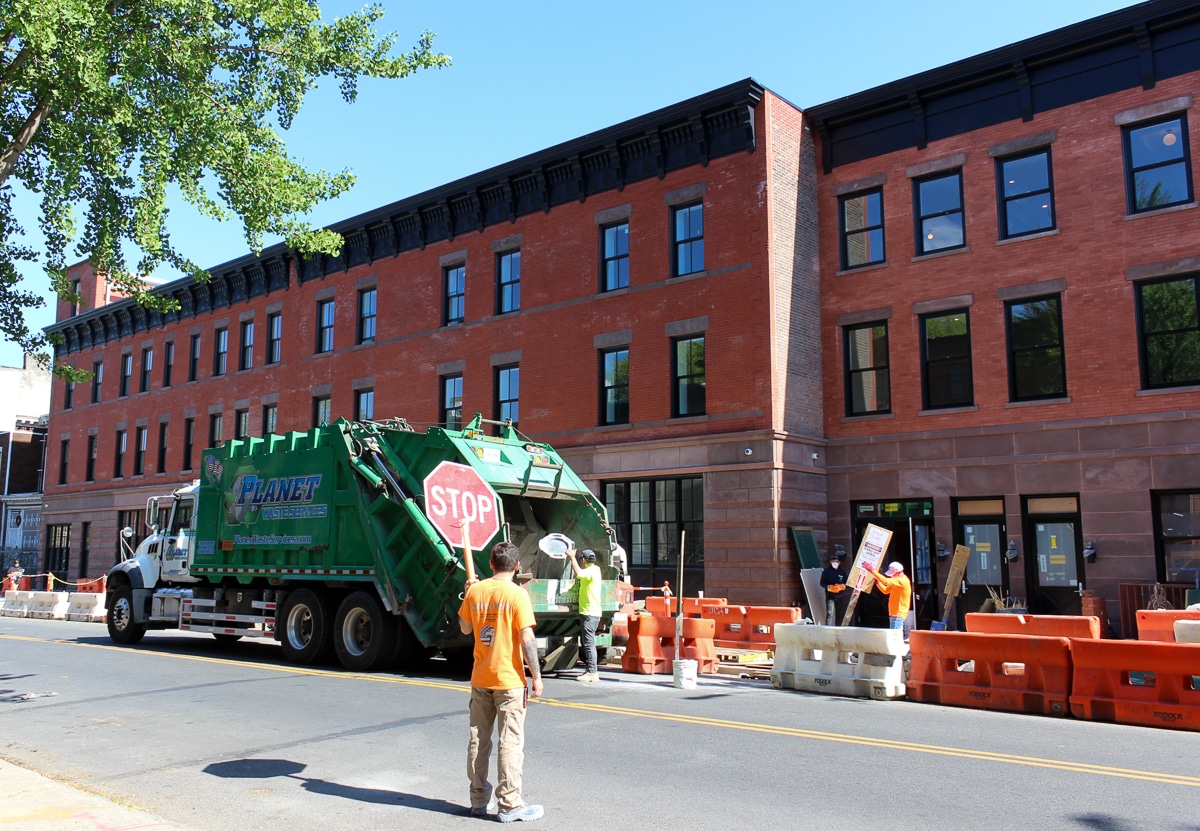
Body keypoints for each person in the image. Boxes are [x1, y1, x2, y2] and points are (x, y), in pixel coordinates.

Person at [458, 541, 545, 823]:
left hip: (481, 677)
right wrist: (536, 676)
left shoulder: (476, 591)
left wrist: (469, 592)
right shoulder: (518, 594)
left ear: (492, 564)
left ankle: (478, 800)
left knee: (478, 740)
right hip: (509, 681)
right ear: (517, 566)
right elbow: (527, 639)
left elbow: (465, 627)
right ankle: (509, 804)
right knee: (510, 742)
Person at [567, 546, 602, 683]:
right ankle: (590, 670)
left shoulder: (590, 571)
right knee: (587, 642)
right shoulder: (596, 569)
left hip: (589, 612)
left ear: (583, 560)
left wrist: (571, 557)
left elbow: (579, 574)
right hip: (592, 611)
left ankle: (592, 673)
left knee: (588, 643)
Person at [864, 561, 912, 638]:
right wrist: (878, 583)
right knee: (894, 636)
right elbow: (886, 590)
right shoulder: (897, 581)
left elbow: (886, 581)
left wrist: (872, 571)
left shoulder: (902, 581)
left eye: (892, 573)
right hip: (894, 613)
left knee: (895, 637)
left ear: (898, 572)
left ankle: (897, 649)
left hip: (898, 614)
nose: (891, 576)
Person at [820, 554, 849, 625]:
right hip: (830, 596)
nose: (835, 563)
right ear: (830, 562)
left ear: (839, 562)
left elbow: (847, 583)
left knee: (839, 614)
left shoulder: (842, 572)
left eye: (837, 561)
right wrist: (829, 587)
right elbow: (822, 583)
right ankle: (828, 629)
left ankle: (838, 628)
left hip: (840, 596)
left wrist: (843, 586)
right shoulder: (826, 572)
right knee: (830, 613)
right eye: (833, 561)